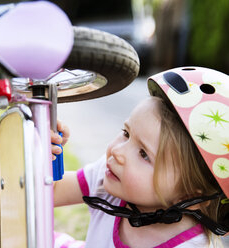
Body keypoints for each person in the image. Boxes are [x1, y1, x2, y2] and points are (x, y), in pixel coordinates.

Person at [52, 67, 229, 248]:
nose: (118, 152)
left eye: (144, 154)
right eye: (126, 134)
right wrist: (43, 154)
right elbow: (50, 192)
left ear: (188, 196)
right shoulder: (110, 177)